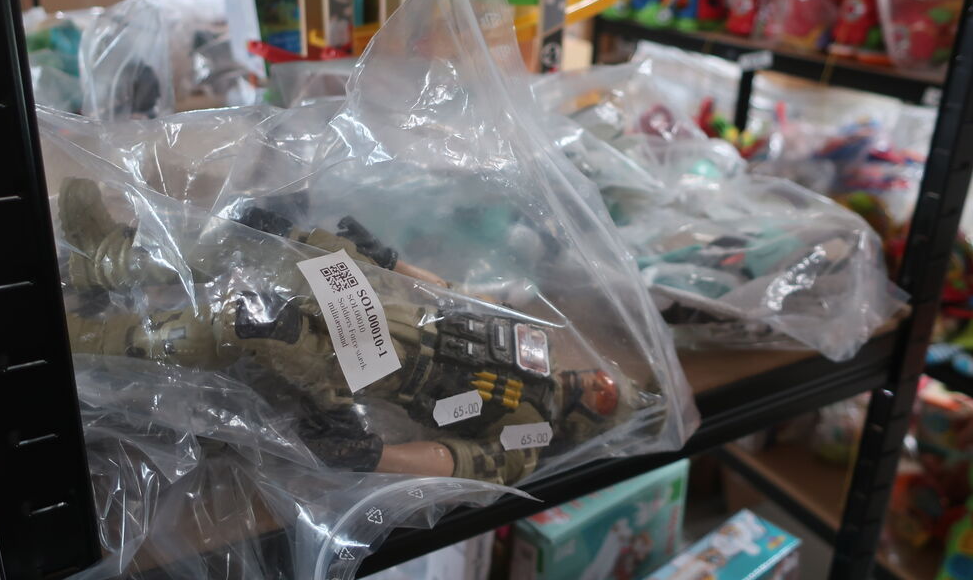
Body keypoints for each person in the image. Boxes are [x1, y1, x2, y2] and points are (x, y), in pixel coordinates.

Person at [59, 178, 640, 485]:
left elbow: (455, 459)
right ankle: (104, 259)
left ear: (589, 424)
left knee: (244, 323)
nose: (597, 381)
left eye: (605, 397)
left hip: (371, 363)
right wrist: (390, 261)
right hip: (386, 303)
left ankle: (85, 343)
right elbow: (461, 297)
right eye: (606, 380)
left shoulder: (527, 435)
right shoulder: (537, 343)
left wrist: (373, 455)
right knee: (257, 241)